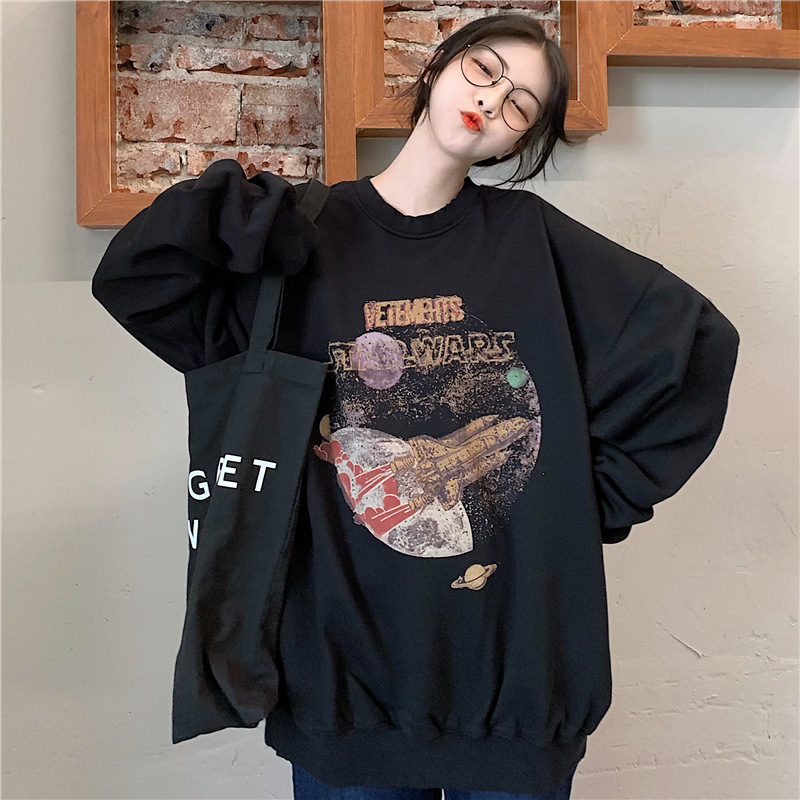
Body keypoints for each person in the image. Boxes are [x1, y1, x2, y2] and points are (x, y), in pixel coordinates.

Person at [92, 12, 740, 800]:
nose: (493, 99)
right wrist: (220, 211)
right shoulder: (304, 235)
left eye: (521, 105)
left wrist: (584, 498)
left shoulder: (534, 242)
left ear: (515, 142)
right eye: (485, 70)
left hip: (510, 703)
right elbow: (138, 283)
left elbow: (697, 349)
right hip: (342, 695)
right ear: (436, 68)